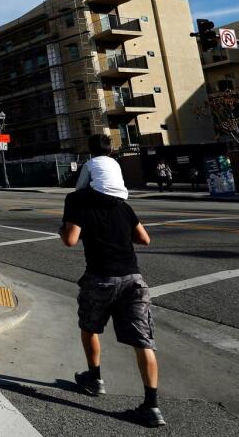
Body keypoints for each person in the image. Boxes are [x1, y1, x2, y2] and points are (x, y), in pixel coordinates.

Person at [63, 134, 165, 428]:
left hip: (100, 278)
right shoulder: (123, 206)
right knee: (143, 342)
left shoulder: (78, 202)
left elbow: (70, 240)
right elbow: (144, 239)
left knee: (89, 327)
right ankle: (152, 405)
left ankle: (94, 379)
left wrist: (64, 228)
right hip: (133, 279)